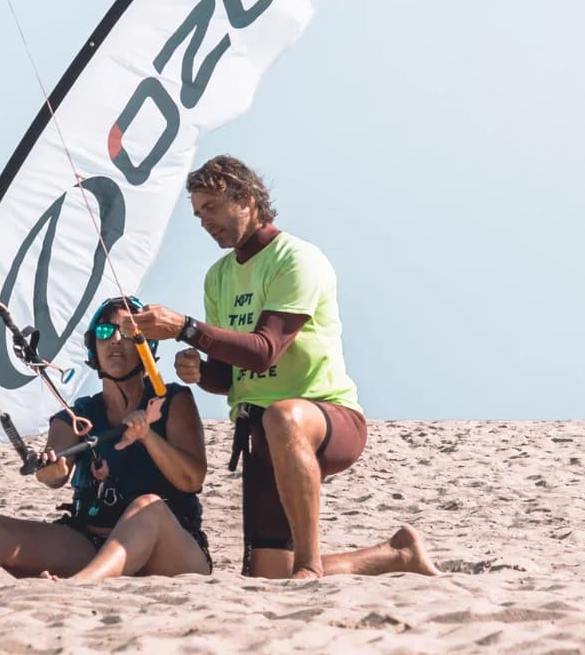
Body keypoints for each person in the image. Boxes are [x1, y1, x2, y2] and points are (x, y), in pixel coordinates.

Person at [124, 155, 439, 580]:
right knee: (269, 577)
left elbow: (264, 352)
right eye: (198, 214)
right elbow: (230, 375)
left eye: (211, 207)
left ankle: (309, 565)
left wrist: (185, 328)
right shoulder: (218, 277)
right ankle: (396, 555)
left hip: (326, 417)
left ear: (247, 199)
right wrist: (200, 371)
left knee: (283, 416)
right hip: (259, 432)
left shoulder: (297, 259)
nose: (204, 222)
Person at [0, 296, 212, 583]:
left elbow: (192, 479)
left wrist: (148, 436)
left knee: (147, 506)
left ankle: (80, 585)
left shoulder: (172, 400)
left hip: (168, 551)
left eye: (126, 331)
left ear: (145, 345)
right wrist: (51, 469)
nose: (115, 340)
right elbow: (55, 473)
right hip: (90, 544)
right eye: (105, 331)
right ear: (93, 346)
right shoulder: (77, 415)